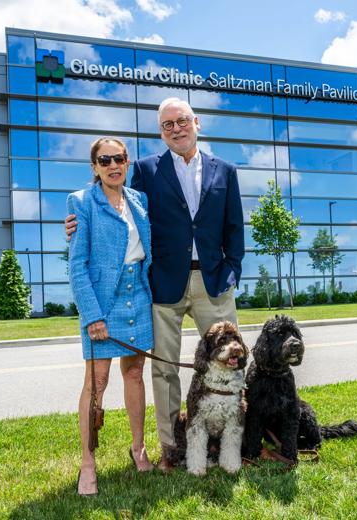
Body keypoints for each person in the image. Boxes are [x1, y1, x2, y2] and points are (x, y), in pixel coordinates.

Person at [66, 98, 244, 472]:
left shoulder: (225, 171)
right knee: (163, 369)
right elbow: (117, 208)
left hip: (213, 281)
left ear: (196, 122)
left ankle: (233, 440)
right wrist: (75, 226)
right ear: (160, 132)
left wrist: (232, 270)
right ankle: (171, 449)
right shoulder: (146, 170)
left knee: (232, 362)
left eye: (181, 121)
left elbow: (234, 227)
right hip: (164, 284)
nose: (175, 128)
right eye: (167, 125)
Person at [67, 137, 155, 496]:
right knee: (97, 383)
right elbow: (77, 266)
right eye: (105, 160)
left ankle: (139, 448)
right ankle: (88, 463)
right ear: (94, 167)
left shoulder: (139, 199)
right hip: (103, 301)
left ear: (127, 162)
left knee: (134, 373)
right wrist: (92, 315)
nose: (113, 165)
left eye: (119, 158)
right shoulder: (82, 201)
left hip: (139, 296)